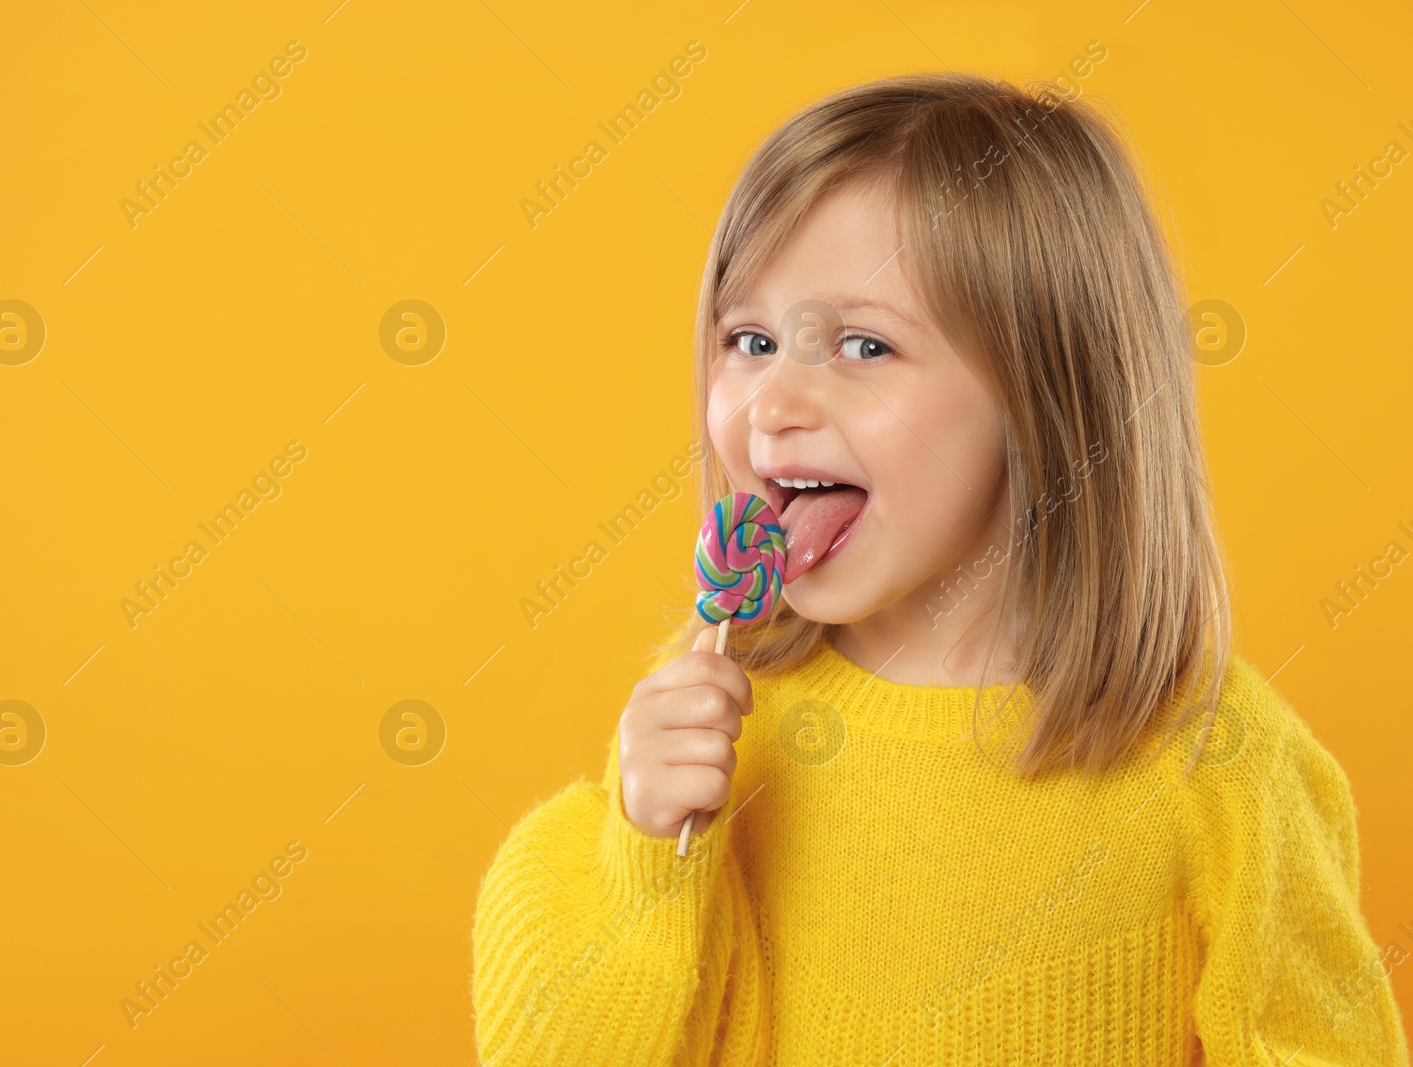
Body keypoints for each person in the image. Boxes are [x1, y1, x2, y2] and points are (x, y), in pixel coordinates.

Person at [470, 71, 1411, 1065]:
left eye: (863, 345)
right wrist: (645, 846)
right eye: (749, 340)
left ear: (1050, 398)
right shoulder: (719, 714)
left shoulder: (1218, 769)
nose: (771, 403)